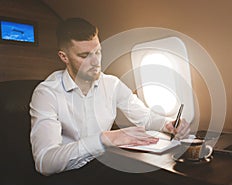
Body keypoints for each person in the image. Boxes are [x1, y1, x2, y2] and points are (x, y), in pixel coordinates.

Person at [29, 17, 190, 176]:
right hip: (66, 174)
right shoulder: (46, 93)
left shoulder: (112, 84)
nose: (95, 62)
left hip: (103, 166)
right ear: (64, 57)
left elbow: (145, 117)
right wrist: (103, 139)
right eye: (85, 56)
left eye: (98, 52)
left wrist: (167, 124)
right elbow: (45, 163)